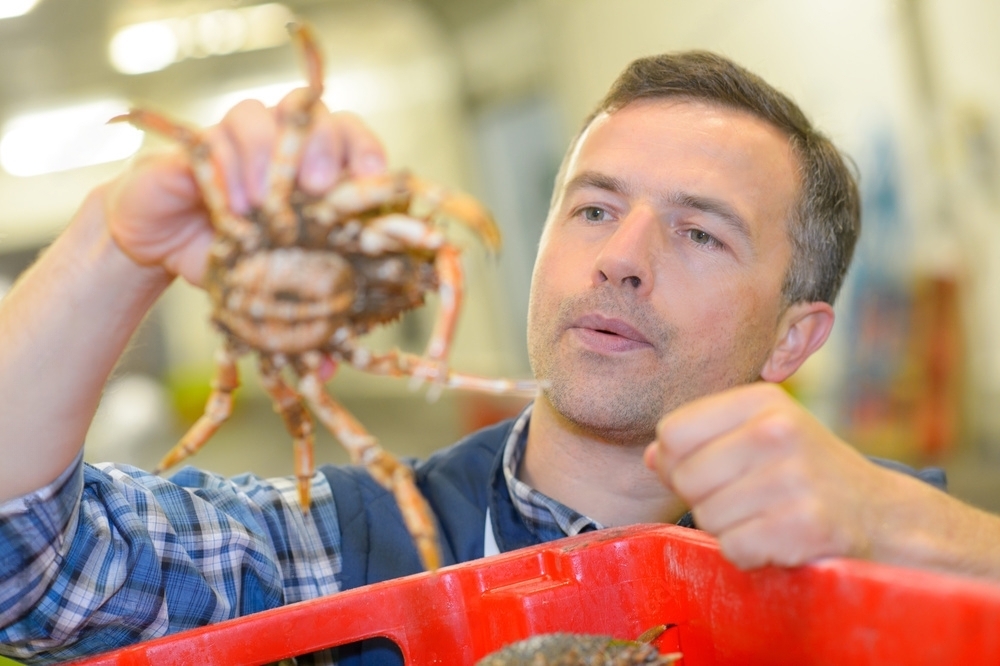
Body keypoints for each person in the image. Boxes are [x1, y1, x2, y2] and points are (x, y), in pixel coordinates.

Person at [1, 49, 997, 665]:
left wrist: (886, 518)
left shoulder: (883, 549)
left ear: (793, 337)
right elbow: (30, 572)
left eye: (699, 234)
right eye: (595, 209)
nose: (619, 260)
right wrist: (115, 241)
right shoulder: (345, 551)